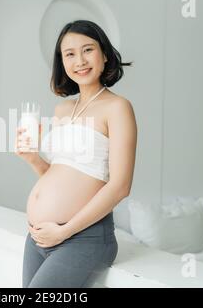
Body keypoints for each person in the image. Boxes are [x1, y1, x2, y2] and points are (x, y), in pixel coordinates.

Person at [15, 20, 137, 288]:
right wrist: (33, 158)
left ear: (104, 54)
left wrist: (64, 231)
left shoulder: (117, 108)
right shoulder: (63, 109)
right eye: (69, 54)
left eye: (88, 50)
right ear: (63, 62)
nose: (79, 60)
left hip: (84, 237)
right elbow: (60, 173)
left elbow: (120, 186)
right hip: (39, 236)